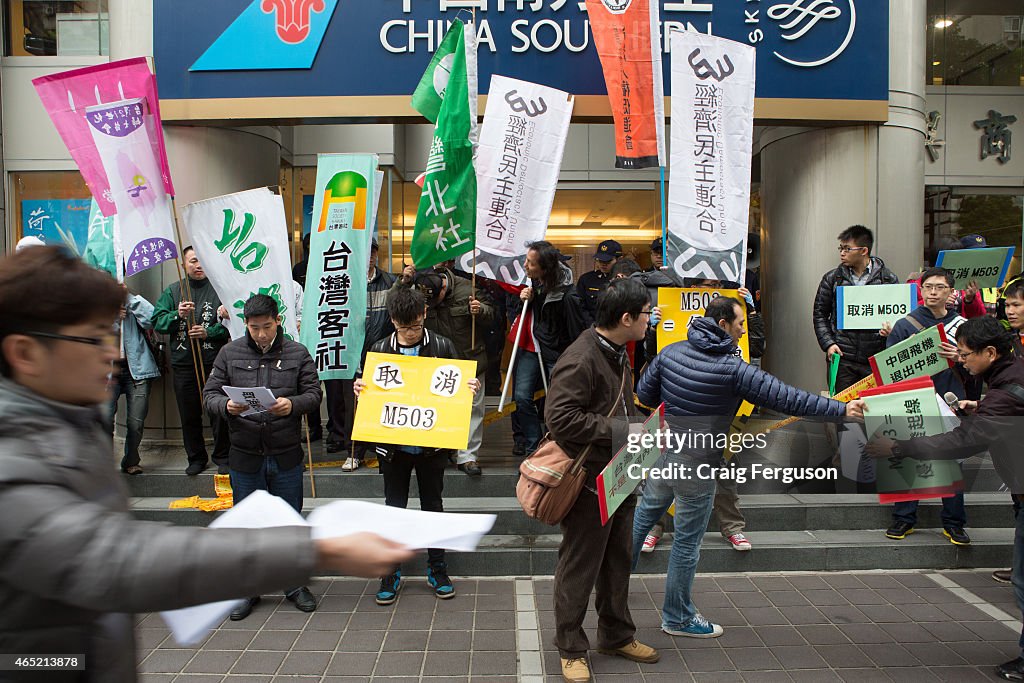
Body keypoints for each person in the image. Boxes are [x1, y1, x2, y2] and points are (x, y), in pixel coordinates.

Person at [0, 246, 412, 682]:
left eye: (111, 334)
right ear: (26, 354)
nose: (113, 354)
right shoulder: (14, 462)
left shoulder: (68, 430)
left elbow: (312, 393)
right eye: (94, 338)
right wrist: (316, 548)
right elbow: (119, 560)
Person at [633, 296, 864, 639]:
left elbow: (644, 394)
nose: (745, 330)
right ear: (723, 324)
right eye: (741, 324)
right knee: (685, 543)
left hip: (666, 454)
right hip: (699, 464)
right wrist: (841, 410)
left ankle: (607, 586)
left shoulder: (672, 352)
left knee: (641, 519)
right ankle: (678, 618)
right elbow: (787, 397)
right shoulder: (734, 368)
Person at [864, 317, 1024, 681]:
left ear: (990, 352)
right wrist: (977, 408)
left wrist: (899, 446)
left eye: (965, 355)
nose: (961, 360)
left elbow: (962, 442)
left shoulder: (1005, 390)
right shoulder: (1008, 375)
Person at [545, 278, 661, 683]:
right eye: (647, 313)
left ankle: (615, 634)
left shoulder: (617, 351)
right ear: (626, 318)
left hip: (620, 471)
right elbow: (559, 419)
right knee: (580, 564)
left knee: (617, 560)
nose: (652, 319)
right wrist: (624, 430)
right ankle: (571, 647)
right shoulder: (582, 358)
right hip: (589, 480)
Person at [355, 286, 480, 605]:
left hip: (432, 447)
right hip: (393, 448)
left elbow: (460, 389)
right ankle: (390, 571)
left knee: (433, 507)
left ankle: (437, 569)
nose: (409, 333)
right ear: (392, 320)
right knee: (393, 509)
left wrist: (470, 386)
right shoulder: (380, 348)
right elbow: (365, 384)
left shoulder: (442, 346)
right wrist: (361, 389)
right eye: (403, 326)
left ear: (424, 315)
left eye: (415, 326)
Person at [203, 293, 324, 620]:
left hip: (285, 452)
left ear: (278, 321)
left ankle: (294, 585)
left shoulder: (297, 353)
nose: (261, 334)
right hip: (245, 454)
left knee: (289, 522)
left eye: (266, 327)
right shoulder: (230, 353)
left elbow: (314, 394)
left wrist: (293, 405)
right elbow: (209, 395)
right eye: (254, 328)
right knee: (247, 525)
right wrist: (226, 406)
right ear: (246, 324)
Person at [882, 267, 970, 545]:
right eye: (928, 287)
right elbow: (888, 368)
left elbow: (977, 369)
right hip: (913, 398)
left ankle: (954, 523)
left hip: (949, 399)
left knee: (951, 460)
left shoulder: (963, 326)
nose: (933, 292)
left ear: (950, 292)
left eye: (940, 287)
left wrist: (959, 357)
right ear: (920, 290)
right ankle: (903, 518)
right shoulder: (904, 325)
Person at [400, 264, 493, 476]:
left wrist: (481, 310)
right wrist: (402, 283)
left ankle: (468, 457)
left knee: (473, 410)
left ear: (443, 288)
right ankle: (445, 449)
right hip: (438, 361)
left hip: (470, 357)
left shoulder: (468, 289)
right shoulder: (419, 291)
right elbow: (397, 307)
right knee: (440, 408)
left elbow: (494, 316)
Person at [152, 246, 231, 475]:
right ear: (184, 265)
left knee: (219, 411)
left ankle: (223, 456)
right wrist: (178, 315)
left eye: (202, 260)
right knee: (189, 413)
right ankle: (195, 458)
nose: (198, 266)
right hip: (183, 363)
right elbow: (157, 322)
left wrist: (210, 333)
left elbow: (233, 325)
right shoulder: (174, 290)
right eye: (194, 261)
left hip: (214, 363)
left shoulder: (219, 289)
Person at [510, 241, 591, 456]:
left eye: (530, 263)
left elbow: (577, 333)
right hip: (532, 348)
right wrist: (523, 300)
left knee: (558, 403)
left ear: (544, 268)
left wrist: (572, 361)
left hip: (558, 354)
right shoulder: (534, 284)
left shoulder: (568, 296)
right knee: (521, 397)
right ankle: (533, 444)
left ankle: (554, 446)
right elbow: (525, 316)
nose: (525, 265)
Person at [328, 238, 396, 468]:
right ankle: (354, 452)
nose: (369, 256)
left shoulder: (390, 281)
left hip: (383, 352)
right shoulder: (342, 281)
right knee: (354, 405)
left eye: (372, 251)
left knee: (384, 402)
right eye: (364, 251)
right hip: (354, 352)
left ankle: (384, 448)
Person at [813, 225, 899, 392]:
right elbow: (820, 314)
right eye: (841, 248)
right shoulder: (832, 279)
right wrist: (829, 344)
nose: (842, 253)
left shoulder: (888, 278)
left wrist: (891, 331)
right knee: (842, 409)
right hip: (843, 357)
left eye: (847, 248)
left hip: (876, 358)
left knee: (873, 411)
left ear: (864, 250)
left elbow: (896, 315)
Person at [111, 287, 160, 475]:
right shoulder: (95, 303)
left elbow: (152, 320)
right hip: (107, 371)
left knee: (136, 422)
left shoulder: (132, 301)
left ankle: (131, 460)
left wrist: (129, 298)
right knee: (105, 419)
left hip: (137, 369)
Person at [576, 239, 621, 314]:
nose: (603, 264)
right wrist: (592, 325)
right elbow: (580, 308)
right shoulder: (586, 279)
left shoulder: (624, 280)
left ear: (619, 259)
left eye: (608, 261)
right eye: (599, 260)